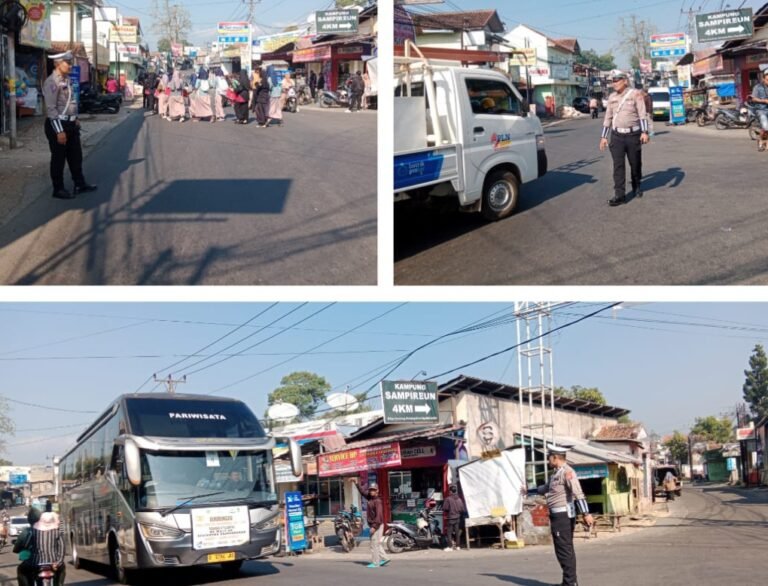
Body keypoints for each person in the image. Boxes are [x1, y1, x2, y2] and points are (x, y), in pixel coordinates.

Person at [530, 445, 593, 586]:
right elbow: (544, 488)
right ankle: (569, 581)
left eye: (549, 457)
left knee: (564, 550)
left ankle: (570, 583)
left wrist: (586, 513)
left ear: (555, 458)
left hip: (563, 516)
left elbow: (578, 493)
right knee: (563, 549)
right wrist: (528, 491)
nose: (548, 460)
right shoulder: (555, 474)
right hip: (557, 516)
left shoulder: (568, 472)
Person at [42, 51, 98, 200]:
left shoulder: (66, 80)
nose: (70, 66)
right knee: (58, 159)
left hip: (71, 124)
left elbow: (70, 102)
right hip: (58, 125)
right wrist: (59, 131)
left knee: (76, 156)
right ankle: (58, 189)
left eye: (70, 63)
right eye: (67, 63)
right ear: (58, 64)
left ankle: (79, 184)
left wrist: (75, 118)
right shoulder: (51, 82)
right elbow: (51, 109)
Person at [599, 71, 649, 207]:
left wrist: (644, 132)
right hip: (617, 136)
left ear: (625, 81)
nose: (614, 83)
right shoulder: (612, 97)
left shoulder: (635, 94)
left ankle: (636, 185)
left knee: (635, 163)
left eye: (617, 80)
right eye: (613, 81)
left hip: (633, 135)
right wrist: (603, 137)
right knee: (618, 166)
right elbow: (608, 117)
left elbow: (642, 114)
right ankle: (619, 195)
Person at [352, 478, 389, 568]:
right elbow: (362, 492)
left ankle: (376, 563)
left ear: (377, 491)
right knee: (376, 543)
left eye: (373, 490)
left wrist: (374, 527)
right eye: (371, 490)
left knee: (374, 544)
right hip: (375, 525)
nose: (372, 491)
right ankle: (385, 558)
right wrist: (356, 483)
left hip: (377, 525)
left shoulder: (377, 501)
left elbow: (379, 516)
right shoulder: (370, 498)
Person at [442, 484, 465, 551]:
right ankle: (458, 546)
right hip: (457, 517)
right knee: (457, 532)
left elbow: (445, 508)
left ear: (450, 491)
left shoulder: (448, 499)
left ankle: (450, 546)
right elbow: (462, 509)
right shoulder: (459, 499)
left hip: (451, 518)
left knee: (449, 532)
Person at [750, 69, 768, 152]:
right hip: (761, 110)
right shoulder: (757, 87)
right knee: (765, 126)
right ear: (763, 79)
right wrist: (764, 101)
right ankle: (760, 142)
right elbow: (753, 98)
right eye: (767, 79)